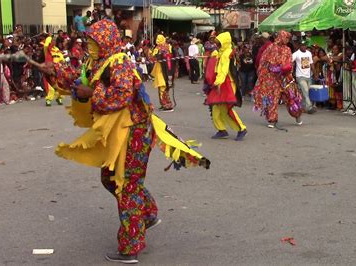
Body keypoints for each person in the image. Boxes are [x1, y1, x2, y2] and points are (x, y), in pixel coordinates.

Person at [38, 19, 209, 264]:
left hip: (135, 131)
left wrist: (92, 93)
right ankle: (147, 213)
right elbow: (79, 79)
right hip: (117, 132)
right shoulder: (96, 62)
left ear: (105, 41)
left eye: (94, 41)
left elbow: (121, 95)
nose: (89, 45)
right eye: (89, 40)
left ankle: (130, 246)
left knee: (126, 184)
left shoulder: (119, 63)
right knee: (110, 178)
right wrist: (55, 70)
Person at [254, 30, 303, 128]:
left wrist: (287, 69)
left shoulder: (288, 49)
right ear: (281, 37)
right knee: (273, 99)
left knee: (291, 97)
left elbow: (290, 62)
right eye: (286, 38)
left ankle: (297, 115)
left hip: (285, 78)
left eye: (288, 38)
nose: (287, 40)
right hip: (272, 79)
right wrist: (267, 72)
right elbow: (263, 61)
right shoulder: (270, 48)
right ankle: (272, 119)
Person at [204, 32, 247, 141]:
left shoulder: (226, 54)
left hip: (227, 83)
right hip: (222, 83)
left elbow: (223, 70)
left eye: (218, 43)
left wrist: (217, 82)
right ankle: (221, 129)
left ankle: (241, 128)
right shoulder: (222, 52)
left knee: (227, 108)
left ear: (224, 43)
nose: (217, 45)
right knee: (215, 108)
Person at [151, 34, 174, 112]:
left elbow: (153, 57)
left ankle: (166, 105)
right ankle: (164, 104)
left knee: (161, 87)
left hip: (160, 69)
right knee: (164, 87)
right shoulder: (168, 46)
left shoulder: (157, 48)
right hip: (167, 69)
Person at [292, 40, 315, 114]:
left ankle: (302, 107)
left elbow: (311, 63)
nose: (304, 46)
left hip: (308, 76)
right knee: (305, 91)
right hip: (300, 76)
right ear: (299, 46)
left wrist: (315, 73)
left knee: (306, 92)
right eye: (302, 45)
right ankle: (309, 107)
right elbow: (290, 62)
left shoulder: (309, 53)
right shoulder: (296, 54)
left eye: (305, 45)